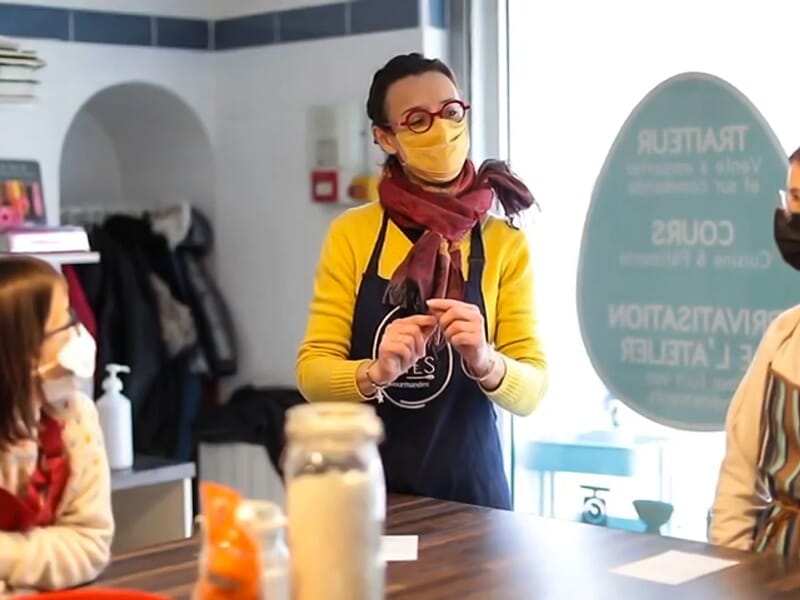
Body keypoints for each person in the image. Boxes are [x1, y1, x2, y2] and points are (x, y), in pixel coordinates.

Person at [296, 53, 547, 509]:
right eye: (416, 120)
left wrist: (487, 362)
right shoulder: (354, 234)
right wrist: (374, 373)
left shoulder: (501, 241)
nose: (441, 129)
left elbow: (532, 391)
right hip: (368, 498)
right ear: (386, 138)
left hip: (474, 500)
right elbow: (312, 372)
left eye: (451, 112)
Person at [0, 256, 113, 592]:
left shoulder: (76, 421)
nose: (78, 333)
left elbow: (89, 544)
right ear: (22, 350)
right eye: (65, 322)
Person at [711, 146, 800, 553]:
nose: (794, 216)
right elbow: (740, 476)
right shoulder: (784, 334)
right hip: (777, 566)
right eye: (795, 198)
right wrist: (730, 570)